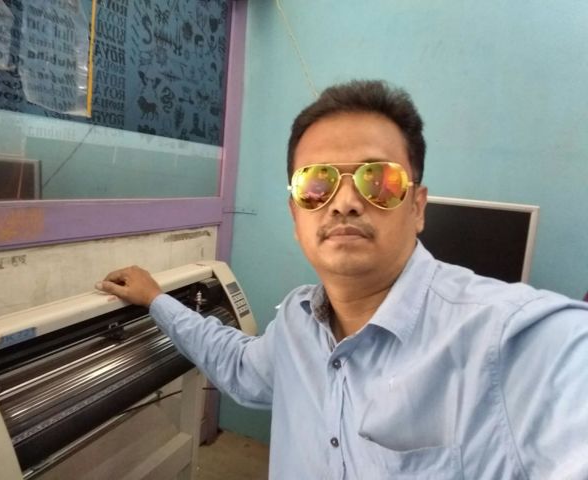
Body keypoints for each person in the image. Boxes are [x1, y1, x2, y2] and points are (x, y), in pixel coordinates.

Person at [96, 80, 588, 479]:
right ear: (295, 215)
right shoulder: (297, 322)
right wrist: (156, 299)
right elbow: (241, 367)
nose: (345, 202)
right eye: (317, 184)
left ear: (417, 208)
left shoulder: (510, 341)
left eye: (379, 181)